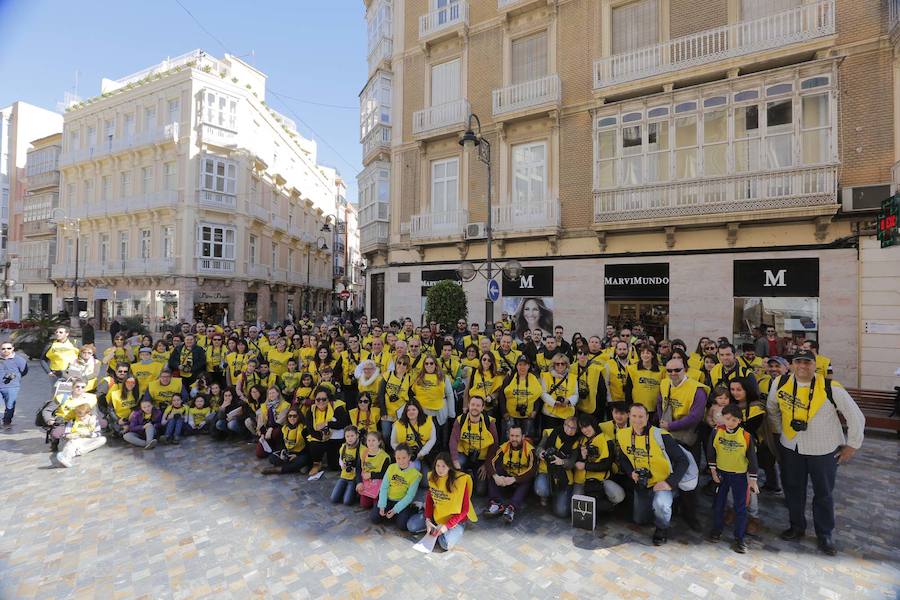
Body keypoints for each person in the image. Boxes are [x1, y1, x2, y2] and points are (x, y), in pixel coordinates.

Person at [766, 349, 865, 556]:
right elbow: (772, 408)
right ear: (792, 364)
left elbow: (856, 416)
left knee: (823, 493)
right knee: (793, 490)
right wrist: (780, 431)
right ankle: (796, 526)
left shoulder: (830, 387)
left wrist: (852, 445)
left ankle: (824, 533)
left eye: (807, 362)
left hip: (823, 450)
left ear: (815, 365)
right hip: (792, 447)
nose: (802, 366)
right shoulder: (780, 383)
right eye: (798, 362)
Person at [616, 404, 689, 546]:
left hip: (663, 483)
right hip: (643, 484)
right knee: (640, 520)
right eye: (634, 416)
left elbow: (683, 461)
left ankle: (662, 529)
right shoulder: (622, 434)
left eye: (641, 416)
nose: (637, 420)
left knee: (661, 506)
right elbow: (623, 457)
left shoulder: (661, 435)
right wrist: (631, 473)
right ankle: (661, 508)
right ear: (629, 417)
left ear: (647, 417)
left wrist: (669, 483)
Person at [707, 404, 759, 554]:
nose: (730, 422)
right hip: (721, 474)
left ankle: (739, 538)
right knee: (718, 504)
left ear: (740, 421)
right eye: (728, 418)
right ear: (723, 417)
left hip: (739, 476)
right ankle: (717, 530)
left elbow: (752, 459)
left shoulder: (746, 436)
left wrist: (753, 480)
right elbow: (710, 451)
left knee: (740, 507)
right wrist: (713, 471)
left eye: (734, 419)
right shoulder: (716, 431)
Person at [407, 452, 478, 551]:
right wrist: (428, 520)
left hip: (455, 521)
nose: (440, 469)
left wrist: (446, 526)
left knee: (445, 544)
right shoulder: (433, 477)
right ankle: (435, 529)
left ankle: (443, 532)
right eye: (438, 465)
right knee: (411, 526)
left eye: (444, 466)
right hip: (437, 516)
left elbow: (465, 510)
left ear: (449, 467)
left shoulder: (460, 481)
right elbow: (429, 501)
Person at [571, 414, 625, 516]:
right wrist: (582, 456)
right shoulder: (581, 440)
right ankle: (596, 507)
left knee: (619, 496)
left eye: (587, 426)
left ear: (593, 424)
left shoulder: (606, 439)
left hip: (601, 480)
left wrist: (585, 466)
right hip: (582, 480)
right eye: (582, 428)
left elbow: (606, 465)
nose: (585, 430)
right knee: (575, 507)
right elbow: (575, 462)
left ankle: (602, 506)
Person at [486, 424, 537, 525]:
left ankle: (511, 509)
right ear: (509, 436)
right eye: (512, 436)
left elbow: (532, 470)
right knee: (494, 472)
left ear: (523, 437)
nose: (514, 439)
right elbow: (490, 461)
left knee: (527, 480)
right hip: (506, 479)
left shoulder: (530, 450)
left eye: (517, 436)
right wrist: (496, 477)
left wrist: (515, 479)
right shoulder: (504, 447)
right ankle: (496, 504)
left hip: (519, 481)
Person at [449, 395, 499, 497]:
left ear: (482, 407)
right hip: (465, 454)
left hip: (482, 459)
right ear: (468, 405)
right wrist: (455, 460)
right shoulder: (460, 420)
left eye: (478, 405)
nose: (474, 407)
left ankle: (472, 476)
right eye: (472, 404)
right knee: (459, 462)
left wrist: (486, 464)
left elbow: (495, 445)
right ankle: (460, 482)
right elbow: (453, 441)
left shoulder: (489, 422)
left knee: (481, 491)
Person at [534, 416, 580, 518]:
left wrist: (562, 461)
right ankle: (546, 495)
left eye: (573, 428)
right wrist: (540, 452)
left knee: (562, 512)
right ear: (563, 424)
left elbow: (572, 462)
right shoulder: (550, 432)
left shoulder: (577, 442)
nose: (569, 429)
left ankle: (558, 496)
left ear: (577, 430)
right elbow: (538, 447)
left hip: (564, 476)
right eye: (567, 426)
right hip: (547, 470)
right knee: (541, 489)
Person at [372, 443, 421, 531]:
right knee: (375, 518)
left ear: (409, 457)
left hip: (401, 501)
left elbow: (409, 496)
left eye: (404, 458)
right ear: (395, 457)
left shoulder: (415, 475)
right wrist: (382, 505)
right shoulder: (391, 467)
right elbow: (384, 487)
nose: (401, 461)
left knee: (402, 526)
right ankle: (391, 513)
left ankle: (414, 508)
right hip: (388, 499)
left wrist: (395, 510)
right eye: (398, 458)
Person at [305, 387, 350, 478]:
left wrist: (327, 424)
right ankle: (316, 464)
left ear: (328, 399)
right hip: (320, 437)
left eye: (324, 399)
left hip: (334, 439)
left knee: (334, 467)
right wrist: (322, 437)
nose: (320, 401)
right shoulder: (311, 410)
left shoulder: (337, 407)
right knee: (313, 444)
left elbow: (343, 423)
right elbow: (310, 428)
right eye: (318, 399)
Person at [52, 402, 106, 468]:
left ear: (88, 413)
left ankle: (78, 452)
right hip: (77, 439)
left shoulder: (94, 420)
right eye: (78, 416)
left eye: (82, 416)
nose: (80, 418)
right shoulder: (73, 421)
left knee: (102, 439)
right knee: (71, 444)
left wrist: (89, 434)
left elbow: (98, 434)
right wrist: (69, 436)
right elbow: (66, 433)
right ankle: (66, 459)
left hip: (89, 439)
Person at [499, 355, 541, 439]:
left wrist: (535, 411)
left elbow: (537, 396)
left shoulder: (533, 379)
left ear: (529, 366)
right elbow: (501, 396)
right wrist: (504, 412)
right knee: (510, 438)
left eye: (525, 365)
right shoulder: (509, 378)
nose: (522, 367)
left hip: (528, 416)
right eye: (520, 364)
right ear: (516, 366)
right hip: (510, 416)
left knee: (526, 439)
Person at [391, 398, 436, 472]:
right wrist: (403, 453)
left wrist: (421, 453)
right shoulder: (398, 424)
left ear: (419, 410)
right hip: (404, 455)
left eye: (414, 409)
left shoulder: (428, 421)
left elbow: (432, 439)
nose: (411, 412)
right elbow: (393, 442)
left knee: (425, 482)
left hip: (423, 454)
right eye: (408, 410)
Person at [261, 407, 310, 475]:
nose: (292, 418)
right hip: (288, 453)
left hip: (300, 454)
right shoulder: (284, 428)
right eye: (290, 416)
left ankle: (279, 469)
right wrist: (283, 453)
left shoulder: (304, 429)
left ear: (299, 417)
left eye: (295, 416)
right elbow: (281, 444)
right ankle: (296, 468)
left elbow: (308, 446)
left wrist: (296, 456)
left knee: (304, 459)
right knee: (272, 458)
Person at [540, 353, 578, 431]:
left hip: (567, 415)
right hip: (550, 414)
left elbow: (576, 394)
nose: (560, 365)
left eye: (562, 363)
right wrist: (553, 402)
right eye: (557, 364)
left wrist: (568, 401)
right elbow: (543, 393)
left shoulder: (573, 377)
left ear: (566, 365)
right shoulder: (546, 376)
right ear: (553, 365)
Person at [625, 345, 665, 415]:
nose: (645, 355)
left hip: (656, 408)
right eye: (643, 353)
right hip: (637, 407)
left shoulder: (662, 370)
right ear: (640, 355)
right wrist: (629, 406)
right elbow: (628, 389)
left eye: (648, 353)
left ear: (652, 355)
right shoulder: (632, 369)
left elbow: (664, 389)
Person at [356, 431, 391, 509]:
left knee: (376, 508)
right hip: (365, 482)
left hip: (378, 484)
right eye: (369, 440)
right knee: (364, 505)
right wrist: (359, 482)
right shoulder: (364, 452)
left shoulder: (385, 457)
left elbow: (385, 474)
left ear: (379, 442)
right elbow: (358, 468)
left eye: (373, 440)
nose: (371, 443)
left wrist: (371, 475)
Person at [573, 348, 608, 421]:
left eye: (585, 353)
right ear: (576, 355)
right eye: (580, 353)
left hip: (594, 406)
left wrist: (600, 407)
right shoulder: (571, 368)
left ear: (588, 356)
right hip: (576, 405)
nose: (582, 355)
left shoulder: (596, 369)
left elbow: (602, 390)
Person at [0, 341, 28, 430]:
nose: (6, 350)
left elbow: (24, 371)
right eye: (3, 349)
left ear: (13, 349)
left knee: (10, 405)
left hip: (12, 386)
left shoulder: (19, 360)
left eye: (8, 348)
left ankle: (7, 421)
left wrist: (15, 377)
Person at [331, 426, 362, 506]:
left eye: (352, 436)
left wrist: (354, 467)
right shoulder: (343, 447)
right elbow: (340, 459)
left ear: (357, 435)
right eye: (347, 436)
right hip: (344, 476)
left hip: (354, 478)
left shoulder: (361, 449)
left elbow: (362, 466)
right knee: (333, 499)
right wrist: (342, 465)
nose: (350, 438)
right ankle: (346, 490)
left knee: (347, 502)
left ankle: (353, 492)